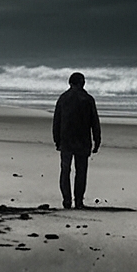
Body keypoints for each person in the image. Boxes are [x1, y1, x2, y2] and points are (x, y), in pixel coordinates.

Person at [52, 71, 101, 209]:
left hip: (66, 140)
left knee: (65, 170)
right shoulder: (88, 99)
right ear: (81, 83)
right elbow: (95, 122)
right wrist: (97, 140)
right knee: (81, 172)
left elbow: (56, 121)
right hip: (83, 141)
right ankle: (78, 201)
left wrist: (57, 140)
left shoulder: (63, 98)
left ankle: (66, 200)